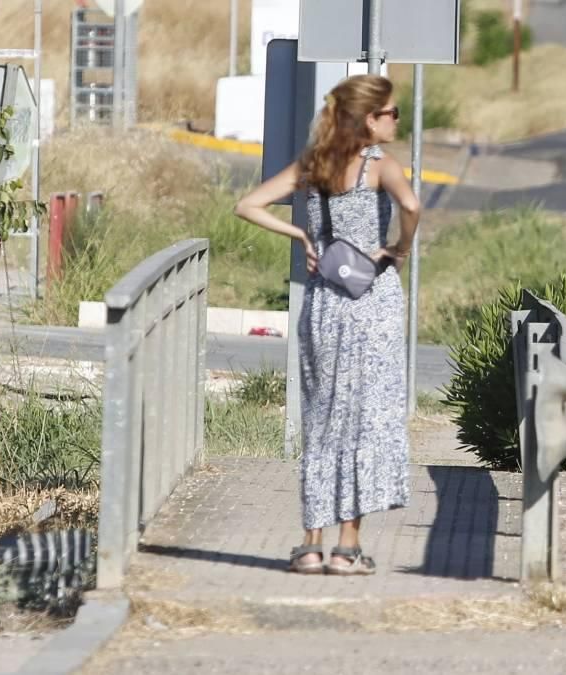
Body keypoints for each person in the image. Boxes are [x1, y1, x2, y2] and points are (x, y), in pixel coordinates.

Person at [234, 74, 420, 575]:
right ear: (368, 119)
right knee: (364, 420)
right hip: (372, 301)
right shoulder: (381, 167)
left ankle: (310, 544)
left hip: (324, 304)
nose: (396, 121)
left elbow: (247, 205)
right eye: (391, 113)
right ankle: (347, 548)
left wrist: (301, 233)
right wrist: (399, 248)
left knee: (322, 418)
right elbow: (412, 205)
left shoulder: (312, 166)